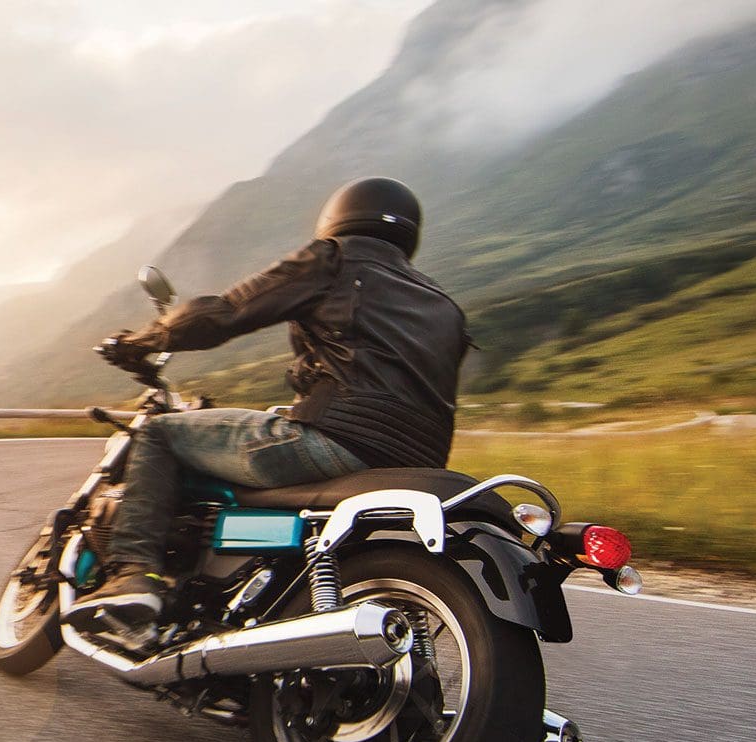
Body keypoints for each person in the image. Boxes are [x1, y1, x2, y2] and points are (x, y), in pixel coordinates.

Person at [63, 176, 472, 633]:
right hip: (415, 463)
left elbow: (224, 313)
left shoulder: (334, 260)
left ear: (338, 218)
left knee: (160, 433)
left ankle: (135, 574)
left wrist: (145, 339)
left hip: (337, 441)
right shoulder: (443, 303)